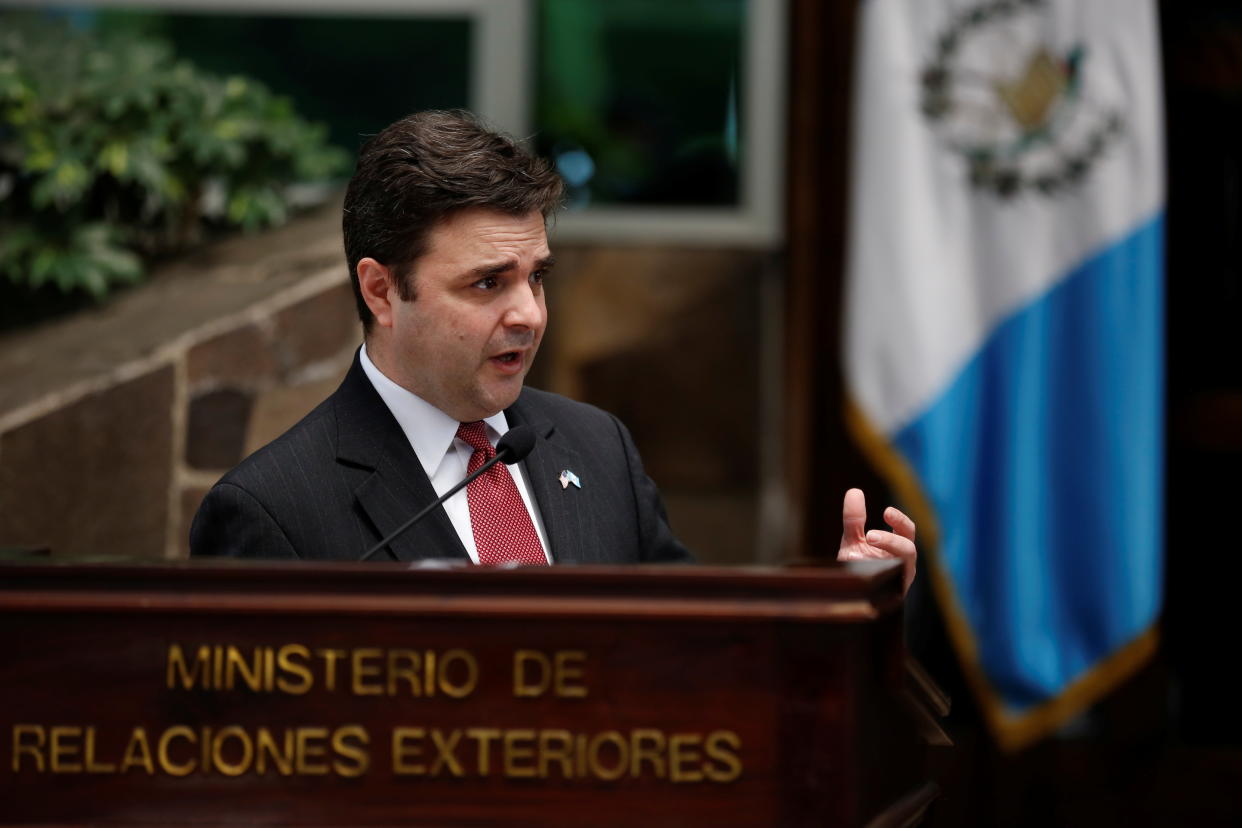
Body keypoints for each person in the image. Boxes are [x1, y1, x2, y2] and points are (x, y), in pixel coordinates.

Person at [190, 110, 917, 590]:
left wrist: (849, 609)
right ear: (382, 292)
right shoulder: (272, 512)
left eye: (536, 277)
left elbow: (698, 656)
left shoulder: (595, 446)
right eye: (486, 284)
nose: (529, 314)